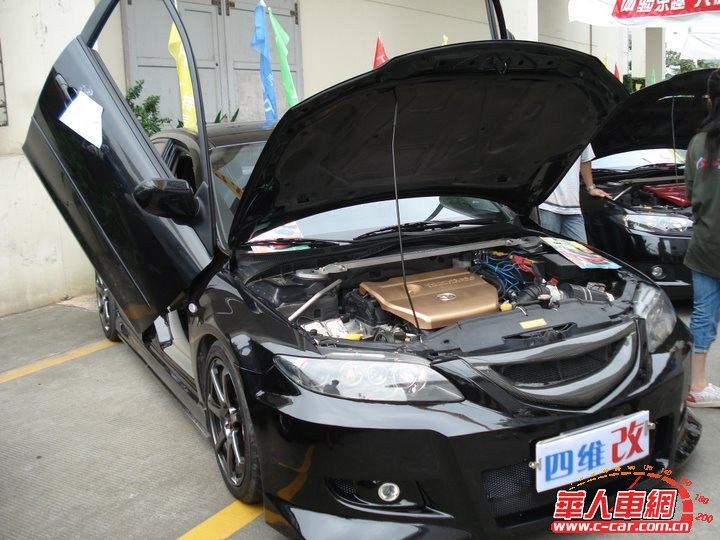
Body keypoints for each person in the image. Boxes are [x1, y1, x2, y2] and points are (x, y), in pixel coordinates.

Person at [684, 69, 720, 407]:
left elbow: (691, 191)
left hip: (706, 242)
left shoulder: (698, 143)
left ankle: (697, 384)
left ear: (710, 101)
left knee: (704, 313)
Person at [538, 144, 610, 243]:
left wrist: (591, 187)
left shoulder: (582, 135)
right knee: (550, 249)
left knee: (581, 251)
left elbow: (585, 160)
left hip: (573, 208)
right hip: (547, 206)